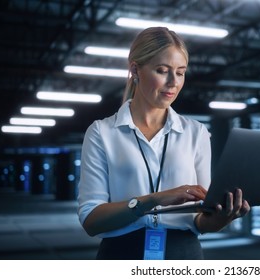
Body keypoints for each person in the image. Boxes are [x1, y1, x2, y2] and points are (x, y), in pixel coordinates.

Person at [77, 27, 250, 260]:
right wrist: (154, 200)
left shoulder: (196, 133)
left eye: (180, 73)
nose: (173, 82)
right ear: (135, 70)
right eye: (162, 71)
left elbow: (201, 219)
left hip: (184, 254)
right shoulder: (102, 132)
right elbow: (91, 220)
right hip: (121, 254)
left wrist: (222, 217)